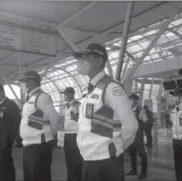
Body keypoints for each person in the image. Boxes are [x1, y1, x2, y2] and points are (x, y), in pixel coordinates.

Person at [73, 43, 138, 181]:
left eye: (86, 57)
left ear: (99, 60)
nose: (80, 61)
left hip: (106, 162)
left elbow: (131, 126)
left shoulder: (111, 87)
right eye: (80, 58)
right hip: (89, 158)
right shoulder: (88, 90)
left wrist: (117, 147)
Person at [17, 70, 58, 181]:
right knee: (29, 177)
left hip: (39, 146)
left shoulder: (42, 97)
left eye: (23, 81)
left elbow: (53, 117)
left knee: (39, 176)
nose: (22, 84)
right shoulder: (30, 98)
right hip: (29, 145)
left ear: (31, 81)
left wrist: (51, 135)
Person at [0, 83, 21, 181]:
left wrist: (13, 138)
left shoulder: (10, 105)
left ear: (0, 91)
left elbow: (16, 123)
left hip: (5, 141)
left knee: (5, 164)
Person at [61, 87, 82, 181]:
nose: (64, 96)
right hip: (67, 135)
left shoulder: (78, 105)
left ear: (71, 94)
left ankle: (77, 177)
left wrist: (75, 117)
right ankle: (70, 177)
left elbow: (80, 119)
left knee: (76, 158)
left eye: (65, 94)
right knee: (68, 158)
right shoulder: (66, 106)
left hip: (75, 134)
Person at [125, 93, 148, 180]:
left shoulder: (140, 111)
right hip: (130, 136)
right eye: (130, 99)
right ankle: (134, 170)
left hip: (138, 136)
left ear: (136, 101)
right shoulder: (128, 110)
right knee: (132, 154)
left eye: (132, 99)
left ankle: (143, 172)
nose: (130, 101)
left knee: (142, 154)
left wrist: (140, 126)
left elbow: (146, 122)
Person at [168, 88, 182, 181]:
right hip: (175, 139)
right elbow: (173, 123)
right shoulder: (172, 110)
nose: (174, 98)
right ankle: (178, 178)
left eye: (176, 96)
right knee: (177, 162)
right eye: (173, 96)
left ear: (181, 97)